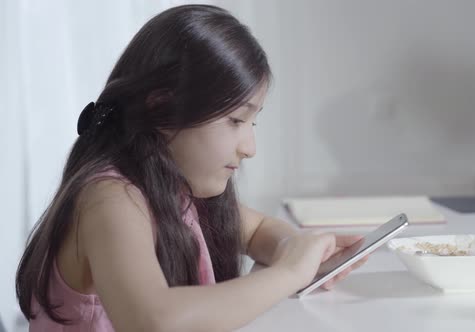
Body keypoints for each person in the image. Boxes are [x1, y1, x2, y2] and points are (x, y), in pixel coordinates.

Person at [15, 5, 367, 331]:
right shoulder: (109, 199)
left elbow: (258, 229)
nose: (250, 148)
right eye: (235, 120)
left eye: (252, 123)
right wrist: (291, 272)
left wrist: (296, 249)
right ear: (161, 108)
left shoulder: (182, 188)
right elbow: (152, 319)